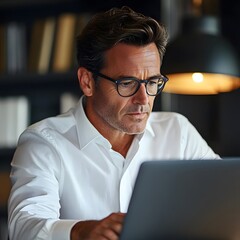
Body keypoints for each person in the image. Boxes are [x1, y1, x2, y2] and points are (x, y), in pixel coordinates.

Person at [8, 6, 220, 240]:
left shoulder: (177, 131)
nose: (144, 99)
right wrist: (79, 231)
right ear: (87, 81)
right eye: (127, 83)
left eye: (152, 82)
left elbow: (226, 198)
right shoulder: (44, 143)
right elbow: (24, 227)